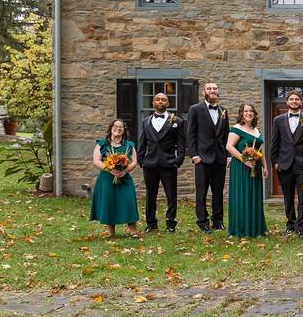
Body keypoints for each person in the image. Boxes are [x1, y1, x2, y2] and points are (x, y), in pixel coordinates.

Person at [137, 92, 185, 233]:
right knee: (150, 194)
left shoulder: (177, 121)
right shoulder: (146, 121)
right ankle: (151, 223)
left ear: (168, 103)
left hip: (169, 163)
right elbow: (142, 142)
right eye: (157, 99)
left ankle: (171, 223)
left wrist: (178, 160)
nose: (160, 101)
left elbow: (181, 143)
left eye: (163, 99)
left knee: (171, 195)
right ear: (153, 103)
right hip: (150, 164)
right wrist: (141, 160)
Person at [186, 82, 229, 232]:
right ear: (204, 92)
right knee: (202, 192)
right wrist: (194, 155)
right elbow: (190, 134)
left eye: (215, 88)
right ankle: (202, 222)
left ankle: (218, 221)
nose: (212, 91)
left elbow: (225, 136)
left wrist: (228, 155)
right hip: (202, 159)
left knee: (218, 192)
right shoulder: (195, 109)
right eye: (209, 88)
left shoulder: (224, 111)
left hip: (220, 158)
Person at [270, 90, 303, 236]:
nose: (294, 101)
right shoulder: (278, 120)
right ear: (287, 102)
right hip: (284, 164)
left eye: (297, 99)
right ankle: (290, 224)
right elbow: (274, 143)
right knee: (288, 197)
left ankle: (301, 227)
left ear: (301, 102)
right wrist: (275, 162)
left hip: (302, 165)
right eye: (291, 99)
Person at [90, 119, 141, 238]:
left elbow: (134, 161)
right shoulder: (102, 144)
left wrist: (125, 171)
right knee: (109, 202)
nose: (118, 128)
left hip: (124, 178)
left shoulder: (129, 145)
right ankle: (111, 232)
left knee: (129, 201)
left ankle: (133, 230)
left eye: (121, 127)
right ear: (110, 128)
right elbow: (96, 160)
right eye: (115, 126)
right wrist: (110, 169)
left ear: (124, 131)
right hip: (107, 178)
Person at [225, 103, 268, 237]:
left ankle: (255, 227)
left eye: (251, 111)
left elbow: (260, 150)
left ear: (254, 114)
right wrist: (244, 160)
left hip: (255, 168)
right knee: (242, 196)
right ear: (241, 114)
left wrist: (264, 166)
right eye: (246, 111)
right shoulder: (237, 129)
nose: (249, 113)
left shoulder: (256, 130)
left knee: (253, 196)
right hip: (241, 168)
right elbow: (229, 147)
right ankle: (241, 228)